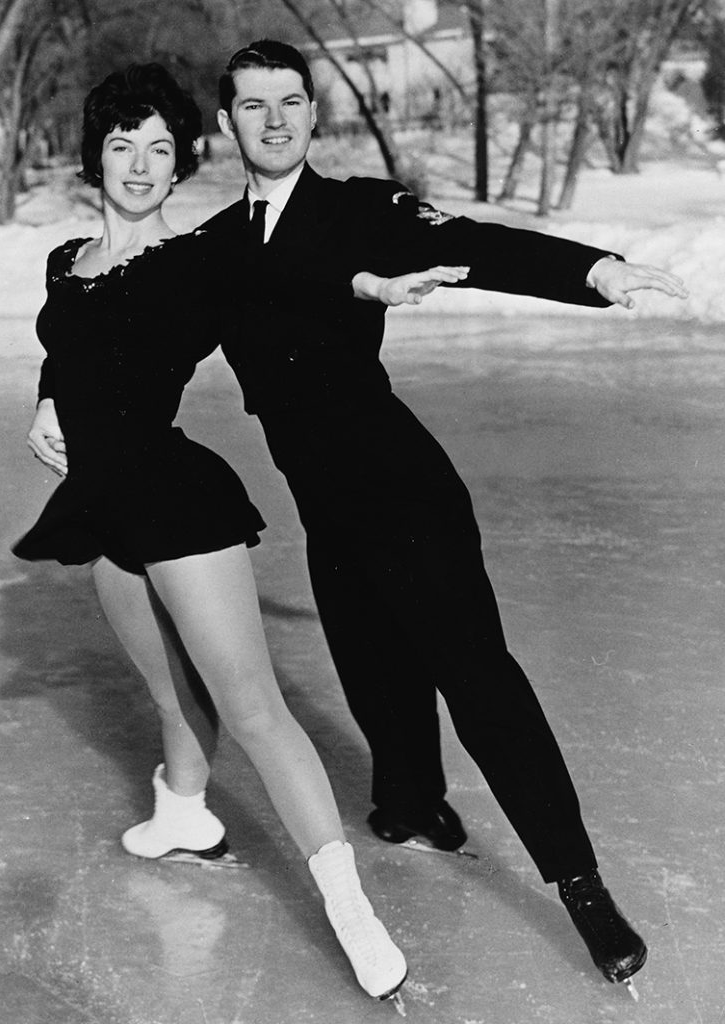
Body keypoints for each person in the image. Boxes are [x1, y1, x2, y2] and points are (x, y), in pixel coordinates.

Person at [191, 40, 688, 987]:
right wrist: (67, 397)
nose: (276, 120)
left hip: (401, 485)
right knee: (372, 668)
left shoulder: (364, 211)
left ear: (312, 112)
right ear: (228, 123)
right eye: (254, 106)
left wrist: (597, 271)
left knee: (478, 681)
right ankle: (415, 807)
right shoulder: (216, 247)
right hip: (323, 505)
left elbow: (481, 243)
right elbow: (152, 332)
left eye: (292, 101)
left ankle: (581, 887)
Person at [13, 62, 457, 1001]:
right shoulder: (65, 260)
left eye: (160, 150)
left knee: (250, 706)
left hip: (177, 502)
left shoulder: (196, 260)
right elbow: (67, 346)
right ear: (94, 155)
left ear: (181, 166)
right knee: (168, 696)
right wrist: (46, 401)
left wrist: (369, 281)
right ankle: (183, 815)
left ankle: (349, 908)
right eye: (123, 145)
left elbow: (291, 276)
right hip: (97, 505)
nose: (139, 164)